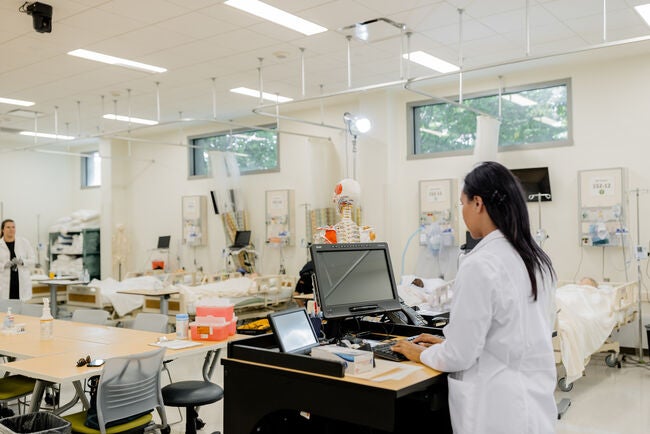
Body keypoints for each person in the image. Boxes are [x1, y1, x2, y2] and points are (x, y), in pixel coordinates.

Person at [393, 161, 557, 434]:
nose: (462, 212)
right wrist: (448, 340)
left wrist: (420, 353)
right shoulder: (536, 259)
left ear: (478, 203)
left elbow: (459, 356)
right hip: (532, 402)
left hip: (496, 408)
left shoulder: (480, 263)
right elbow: (511, 330)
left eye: (462, 204)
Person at [0, 219, 36, 301]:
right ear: (2, 230)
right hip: (4, 284)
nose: (11, 229)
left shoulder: (24, 242)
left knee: (20, 310)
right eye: (8, 227)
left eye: (13, 227)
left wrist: (22, 261)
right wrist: (4, 265)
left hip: (21, 283)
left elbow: (33, 260)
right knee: (5, 309)